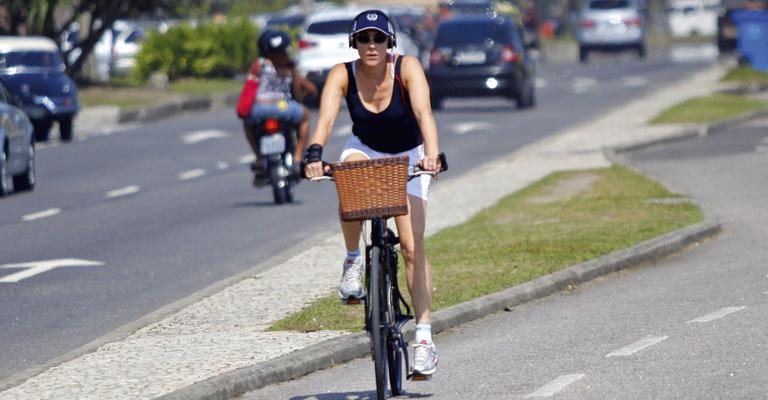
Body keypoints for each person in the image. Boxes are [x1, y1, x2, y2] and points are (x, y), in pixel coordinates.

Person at [302, 9, 442, 376]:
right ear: (354, 43)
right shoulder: (342, 74)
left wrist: (431, 154)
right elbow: (327, 120)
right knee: (347, 176)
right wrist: (315, 154)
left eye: (378, 38)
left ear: (389, 41)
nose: (371, 45)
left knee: (412, 247)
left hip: (409, 155)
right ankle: (353, 260)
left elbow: (424, 113)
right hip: (366, 147)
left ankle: (424, 339)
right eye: (363, 38)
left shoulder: (407, 67)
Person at [242, 30, 316, 185]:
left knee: (247, 122)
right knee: (305, 116)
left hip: (259, 108)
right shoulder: (289, 66)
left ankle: (259, 157)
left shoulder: (259, 64)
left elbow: (250, 84)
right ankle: (297, 157)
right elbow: (299, 91)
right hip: (283, 107)